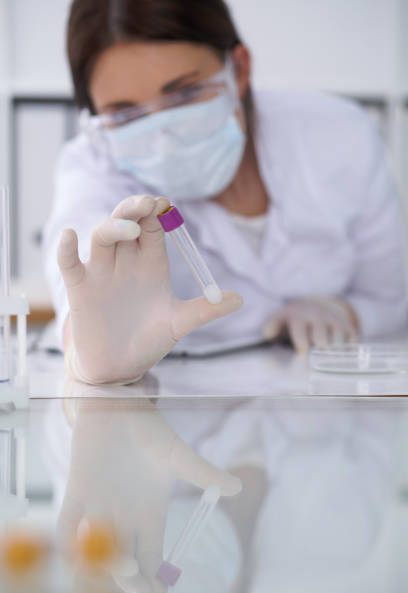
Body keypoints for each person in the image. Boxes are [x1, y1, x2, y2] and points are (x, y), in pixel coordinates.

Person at [44, 0, 407, 384]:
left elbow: (391, 296)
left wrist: (345, 313)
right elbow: (79, 289)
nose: (163, 139)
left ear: (240, 69)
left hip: (329, 416)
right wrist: (92, 352)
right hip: (179, 422)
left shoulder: (337, 134)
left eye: (184, 94)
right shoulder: (94, 167)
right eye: (124, 114)